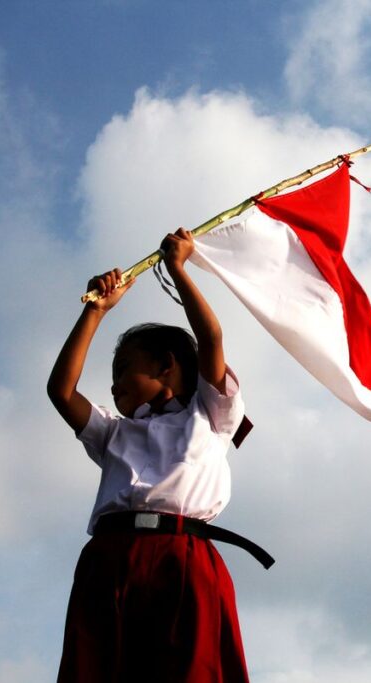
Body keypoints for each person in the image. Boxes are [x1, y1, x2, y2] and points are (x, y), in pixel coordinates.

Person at [48, 228, 266, 682]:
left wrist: (178, 269)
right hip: (108, 558)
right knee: (99, 669)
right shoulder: (113, 433)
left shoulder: (210, 414)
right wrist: (95, 311)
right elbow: (61, 390)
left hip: (182, 556)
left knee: (190, 670)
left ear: (167, 365)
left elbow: (210, 340)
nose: (113, 384)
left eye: (124, 368)